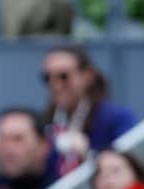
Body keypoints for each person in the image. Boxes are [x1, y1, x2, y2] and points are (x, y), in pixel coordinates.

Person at [42, 46, 136, 176]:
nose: (55, 85)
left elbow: (129, 169)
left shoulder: (116, 118)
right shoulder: (45, 123)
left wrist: (88, 155)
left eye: (64, 76)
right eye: (47, 77)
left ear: (88, 75)